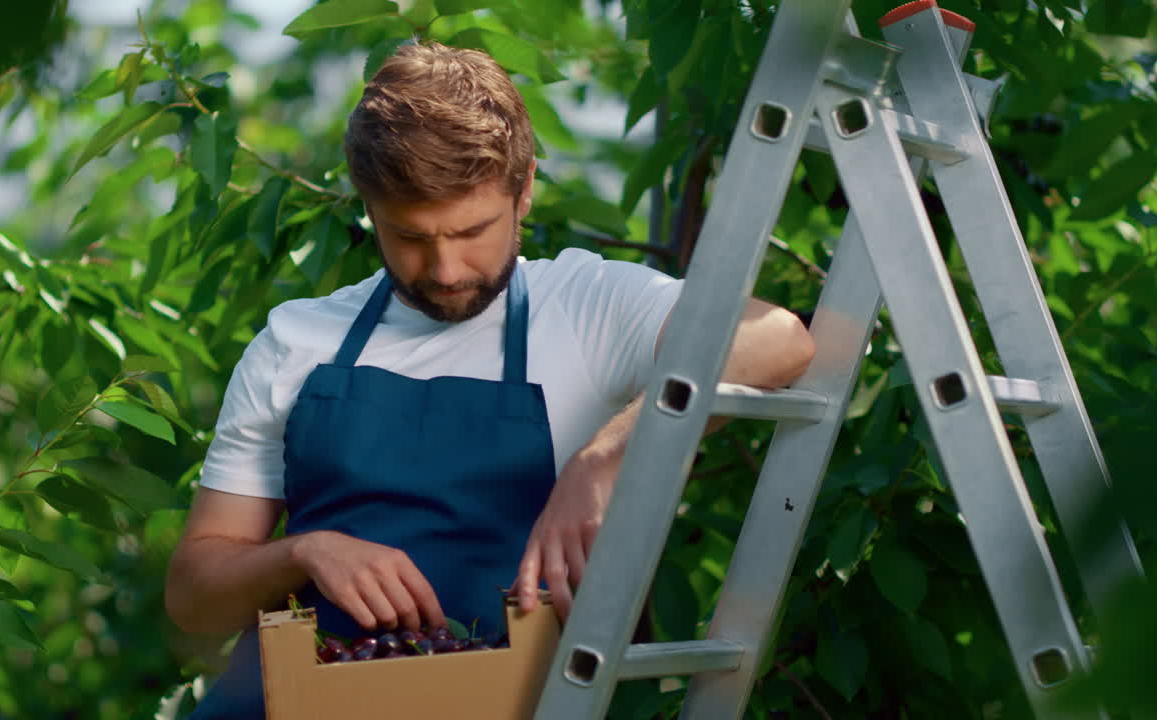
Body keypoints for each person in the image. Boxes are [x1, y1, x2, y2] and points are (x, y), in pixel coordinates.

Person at [165, 41, 815, 718]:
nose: (446, 271)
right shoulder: (297, 341)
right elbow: (193, 599)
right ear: (368, 206)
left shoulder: (586, 304)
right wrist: (304, 551)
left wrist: (610, 455)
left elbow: (777, 341)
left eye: (473, 231)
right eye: (410, 238)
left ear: (525, 185)